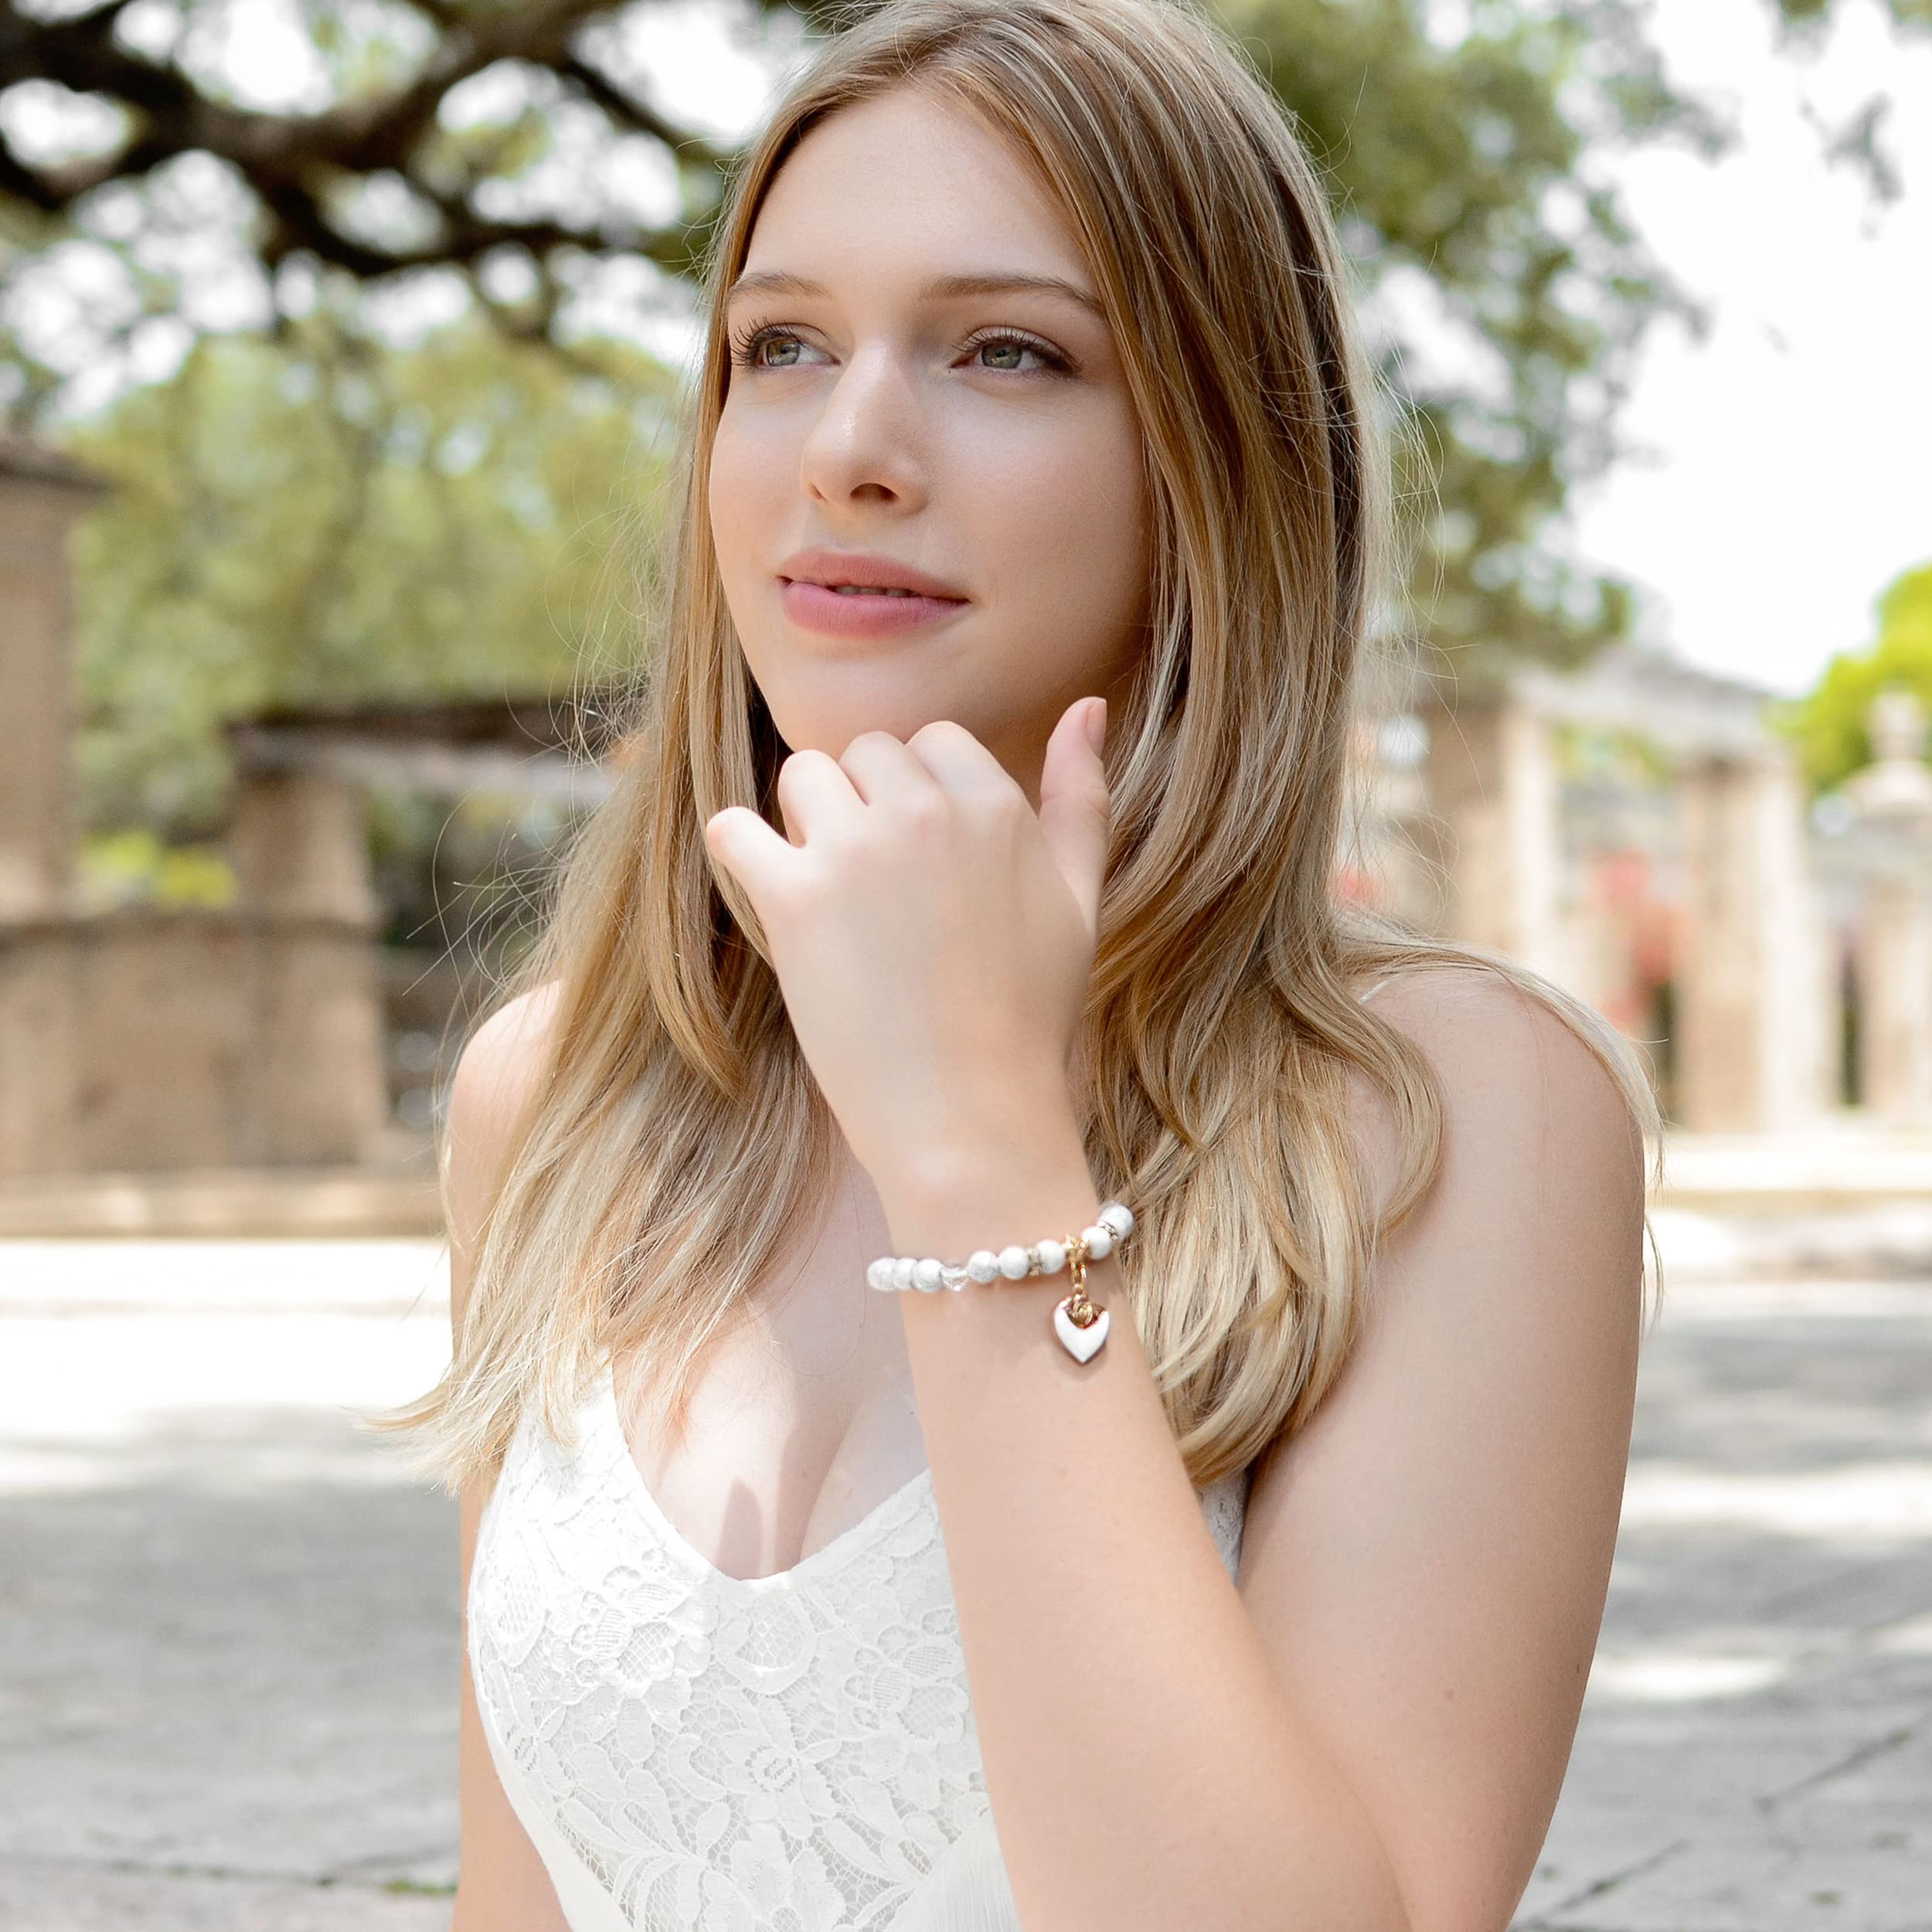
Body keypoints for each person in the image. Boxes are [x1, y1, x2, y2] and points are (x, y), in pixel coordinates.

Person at [364, 0, 1664, 1926]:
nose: (851, 450)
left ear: (1215, 463)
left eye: (1005, 351)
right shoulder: (554, 1102)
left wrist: (980, 1157)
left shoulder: (1451, 1114)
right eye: (779, 345)